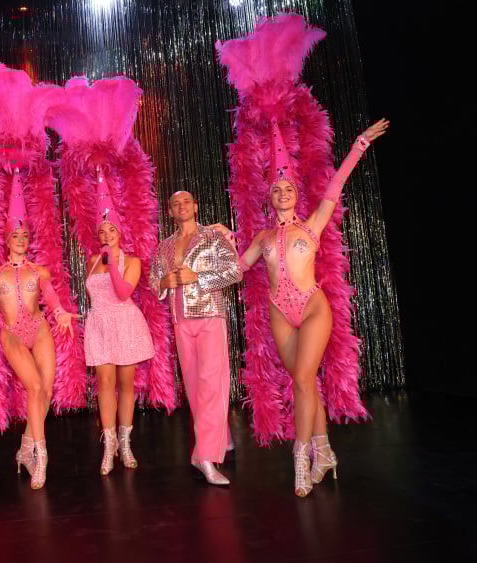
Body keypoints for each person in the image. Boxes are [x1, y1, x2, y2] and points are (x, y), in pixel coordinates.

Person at [214, 117, 388, 496]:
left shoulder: (311, 225)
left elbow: (335, 184)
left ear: (295, 194)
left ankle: (301, 458)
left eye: (288, 187)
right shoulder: (261, 237)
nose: (282, 192)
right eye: (276, 189)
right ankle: (325, 453)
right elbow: (238, 270)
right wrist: (221, 237)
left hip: (311, 307)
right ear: (270, 198)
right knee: (306, 384)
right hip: (280, 310)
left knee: (303, 380)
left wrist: (359, 143)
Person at [0, 170, 77, 489]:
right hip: (12, 333)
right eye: (16, 237)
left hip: (38, 328)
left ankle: (24, 448)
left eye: (25, 237)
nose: (21, 241)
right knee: (35, 388)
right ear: (7, 240)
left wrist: (62, 312)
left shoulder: (39, 271)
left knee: (47, 391)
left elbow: (51, 297)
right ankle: (41, 457)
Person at [150, 190, 241, 486]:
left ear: (196, 206)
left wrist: (197, 279)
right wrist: (165, 282)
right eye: (175, 203)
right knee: (194, 388)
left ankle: (204, 456)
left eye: (186, 201)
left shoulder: (213, 236)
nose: (181, 206)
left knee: (212, 385)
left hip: (210, 315)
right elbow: (154, 282)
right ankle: (221, 437)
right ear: (171, 211)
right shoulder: (164, 246)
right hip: (181, 320)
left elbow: (234, 271)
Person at [83, 167, 154, 475]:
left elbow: (124, 292)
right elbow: (93, 293)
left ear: (120, 232)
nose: (107, 236)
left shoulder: (133, 261)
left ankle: (125, 444)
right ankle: (108, 446)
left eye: (111, 231)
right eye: (102, 232)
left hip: (126, 324)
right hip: (100, 323)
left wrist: (112, 264)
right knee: (104, 382)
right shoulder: (90, 261)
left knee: (126, 384)